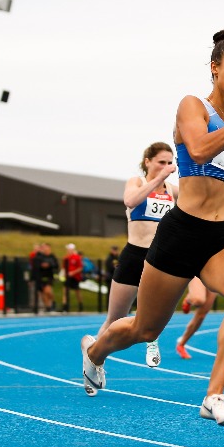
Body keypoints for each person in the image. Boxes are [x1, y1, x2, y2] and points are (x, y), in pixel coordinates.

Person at [81, 27, 224, 427]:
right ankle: (95, 352)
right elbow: (200, 149)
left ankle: (213, 395)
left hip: (223, 236)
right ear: (215, 68)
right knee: (144, 327)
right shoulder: (193, 106)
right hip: (182, 231)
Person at [95, 142, 178, 368]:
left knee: (153, 313)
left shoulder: (173, 190)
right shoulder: (137, 182)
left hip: (159, 258)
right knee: (115, 319)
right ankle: (94, 358)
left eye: (170, 163)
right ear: (148, 162)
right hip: (134, 256)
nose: (166, 166)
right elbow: (130, 201)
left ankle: (152, 339)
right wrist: (158, 178)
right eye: (161, 162)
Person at [176, 276, 218, 359]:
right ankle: (189, 299)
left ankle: (181, 344)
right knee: (198, 299)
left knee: (201, 315)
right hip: (198, 269)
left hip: (214, 274)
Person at [32, 243, 58, 312]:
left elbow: (56, 265)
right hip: (41, 276)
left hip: (49, 276)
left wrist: (49, 265)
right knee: (43, 292)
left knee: (48, 291)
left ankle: (53, 301)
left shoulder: (52, 256)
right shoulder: (39, 257)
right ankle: (47, 306)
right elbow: (36, 265)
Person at [62, 243, 84, 312]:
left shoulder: (77, 257)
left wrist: (73, 272)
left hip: (75, 277)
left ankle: (80, 305)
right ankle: (64, 307)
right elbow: (63, 267)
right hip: (68, 277)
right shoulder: (66, 257)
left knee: (77, 292)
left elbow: (80, 268)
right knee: (65, 291)